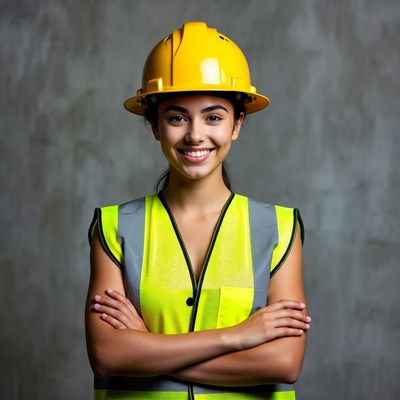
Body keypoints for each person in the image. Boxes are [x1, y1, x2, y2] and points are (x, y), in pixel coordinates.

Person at [85, 21, 311, 400]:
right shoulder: (112, 227)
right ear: (155, 125)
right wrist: (237, 337)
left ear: (237, 124)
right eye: (176, 117)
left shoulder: (280, 227)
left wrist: (146, 348)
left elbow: (284, 363)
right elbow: (107, 354)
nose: (194, 134)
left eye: (214, 117)